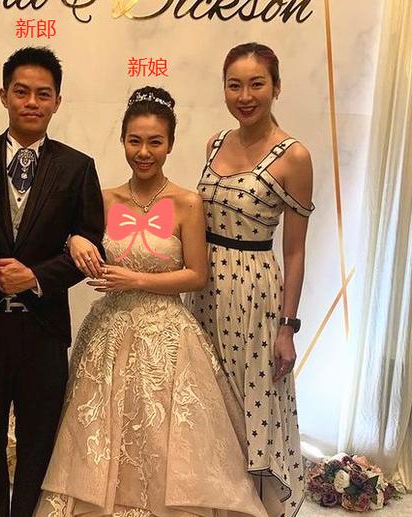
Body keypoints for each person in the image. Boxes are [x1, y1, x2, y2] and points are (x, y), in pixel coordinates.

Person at [34, 86, 268, 517]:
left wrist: (135, 279)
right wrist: (76, 240)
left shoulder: (188, 202)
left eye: (155, 142)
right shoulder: (103, 198)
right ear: (123, 141)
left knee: (164, 435)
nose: (144, 152)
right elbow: (74, 237)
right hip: (108, 331)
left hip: (167, 335)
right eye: (135, 141)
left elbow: (197, 275)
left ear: (170, 144)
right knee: (100, 431)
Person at [0, 47, 105, 517]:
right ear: (4, 95)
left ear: (57, 102)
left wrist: (34, 276)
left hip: (43, 327)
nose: (32, 102)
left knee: (39, 443)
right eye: (22, 92)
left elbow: (90, 248)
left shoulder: (77, 167)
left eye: (43, 94)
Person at [185, 42, 315, 516]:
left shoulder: (294, 156)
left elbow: (295, 250)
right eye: (234, 85)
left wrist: (288, 327)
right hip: (204, 286)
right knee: (209, 398)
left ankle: (257, 508)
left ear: (276, 88)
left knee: (252, 401)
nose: (245, 96)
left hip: (254, 289)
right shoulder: (215, 143)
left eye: (256, 84)